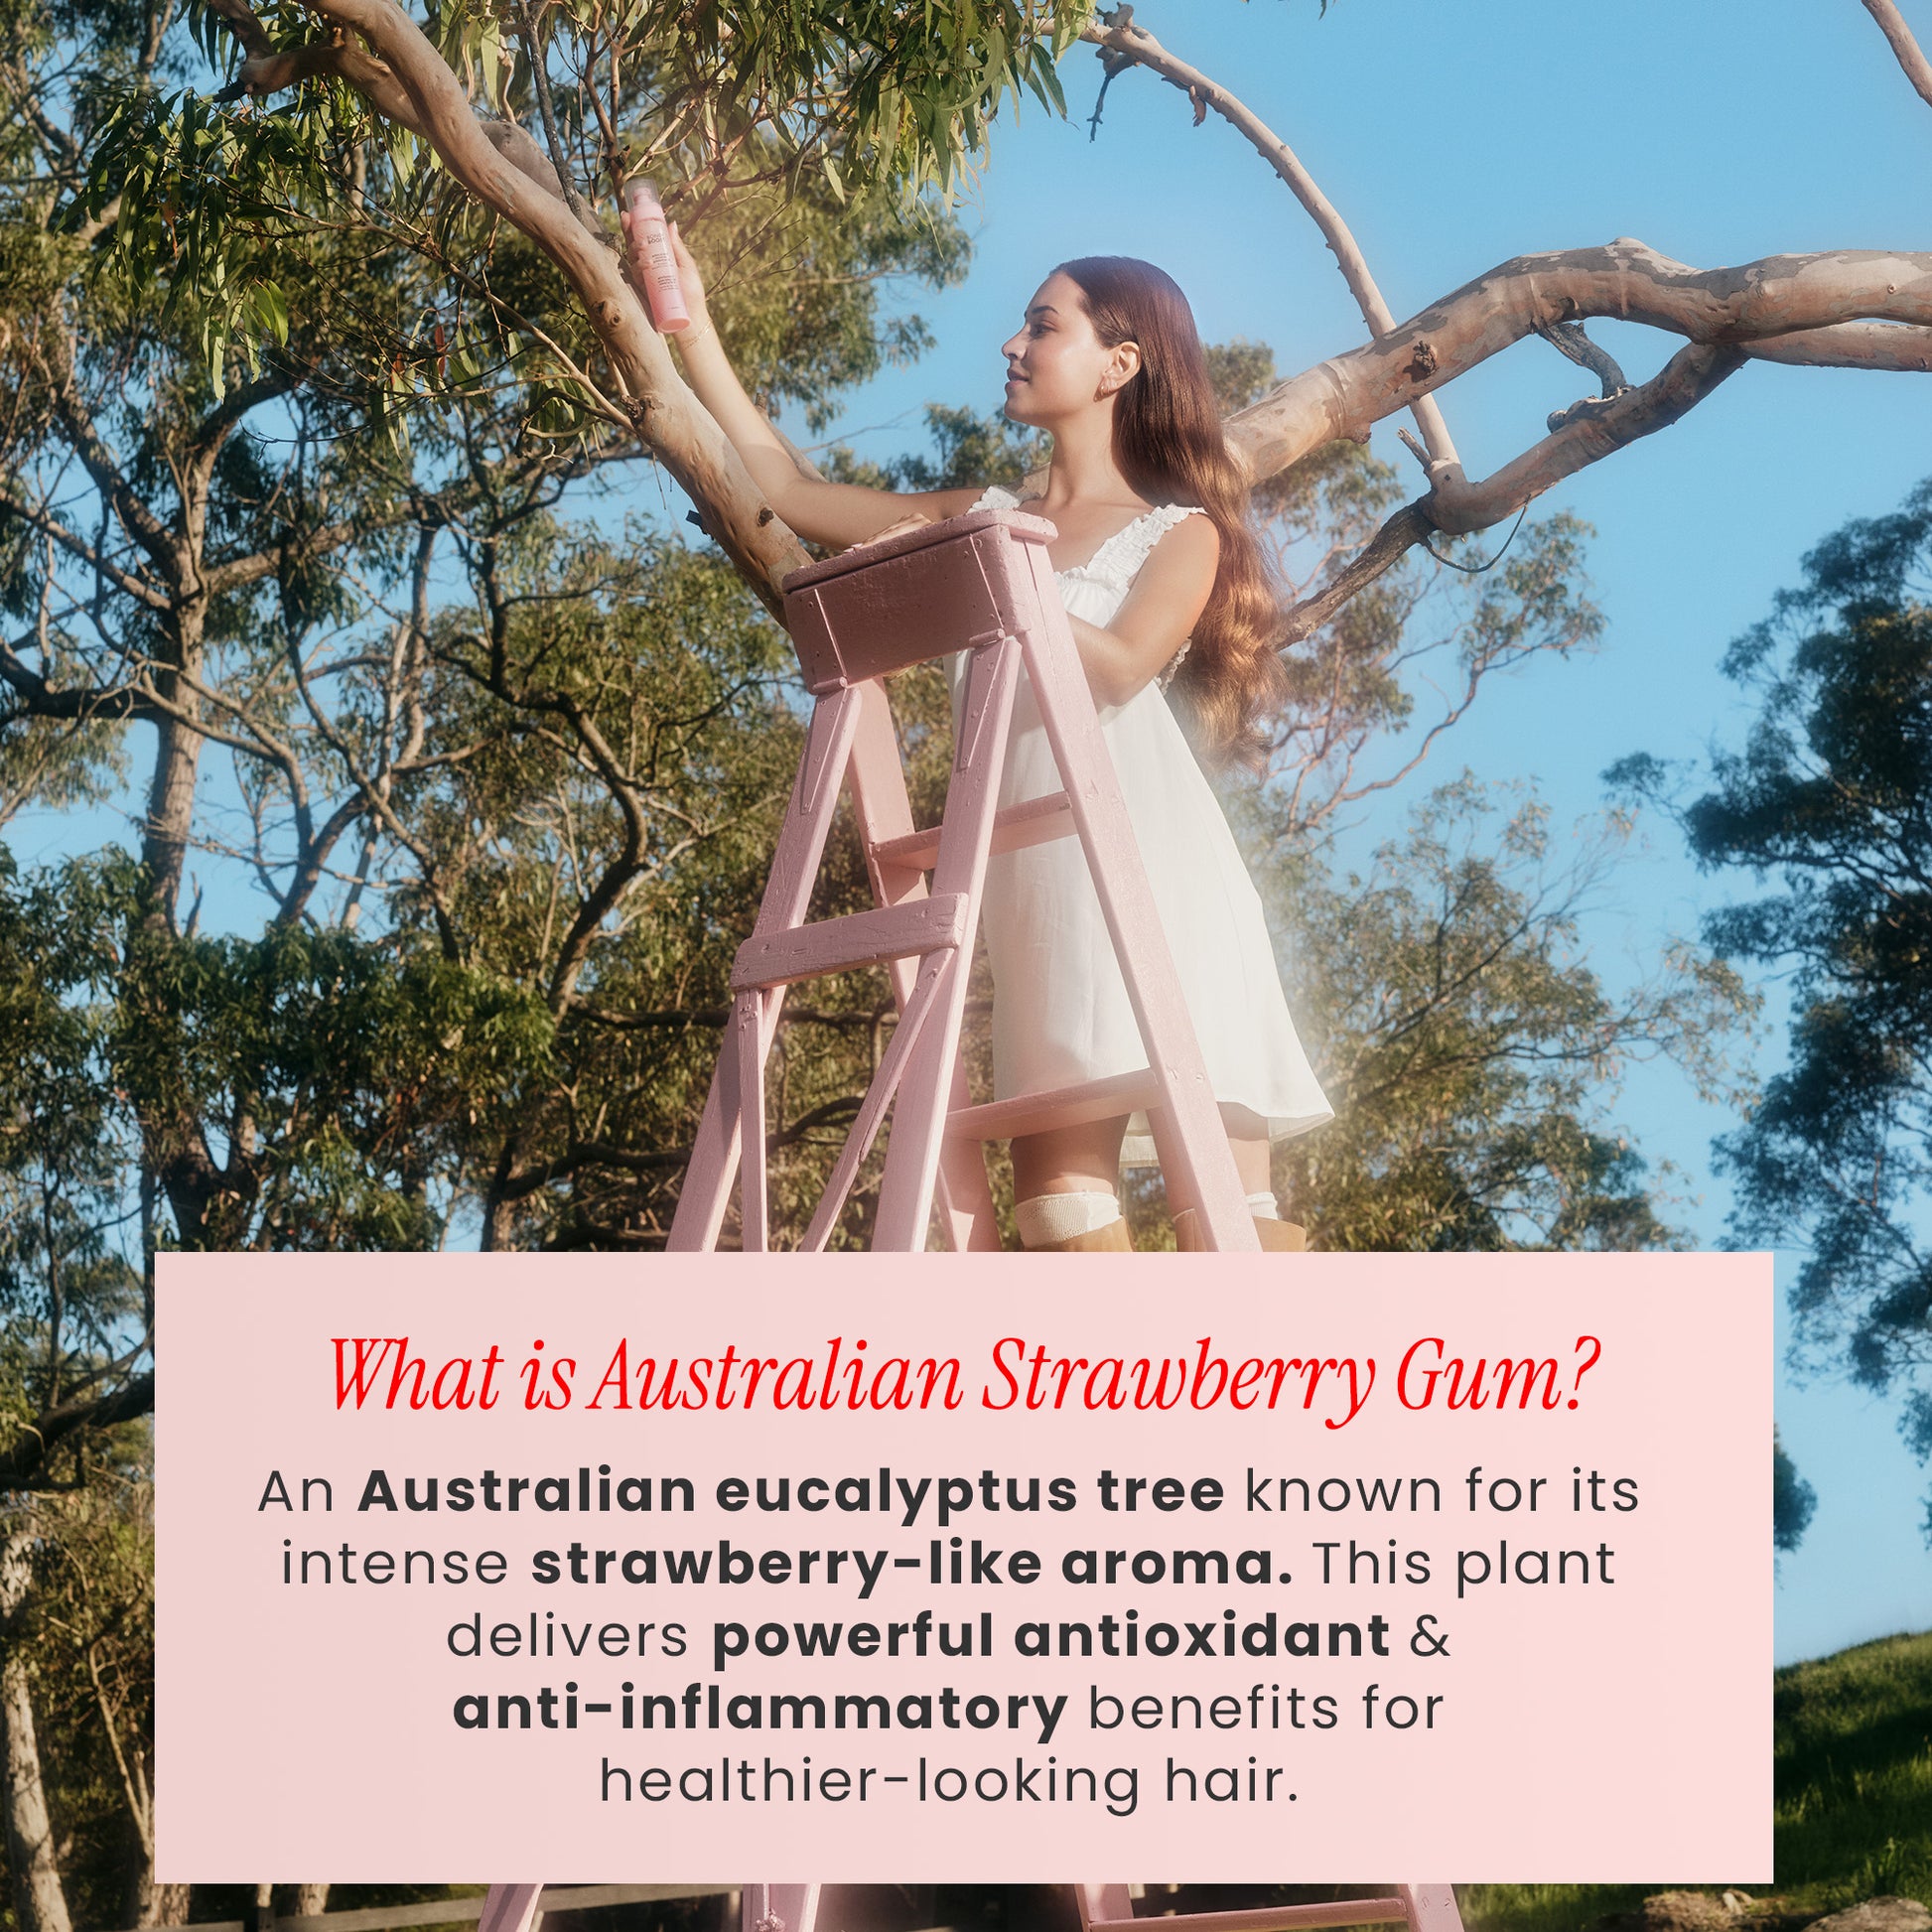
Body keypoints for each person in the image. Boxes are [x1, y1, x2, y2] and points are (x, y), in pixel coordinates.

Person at [643, 216, 1332, 1250]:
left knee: (1233, 1214)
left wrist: (1003, 569)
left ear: (1118, 363)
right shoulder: (988, 511)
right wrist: (689, 328)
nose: (1010, 345)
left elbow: (1124, 662)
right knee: (1057, 1208)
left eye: (1040, 325)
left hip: (1154, 866)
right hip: (1036, 883)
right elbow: (785, 491)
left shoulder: (1178, 529)